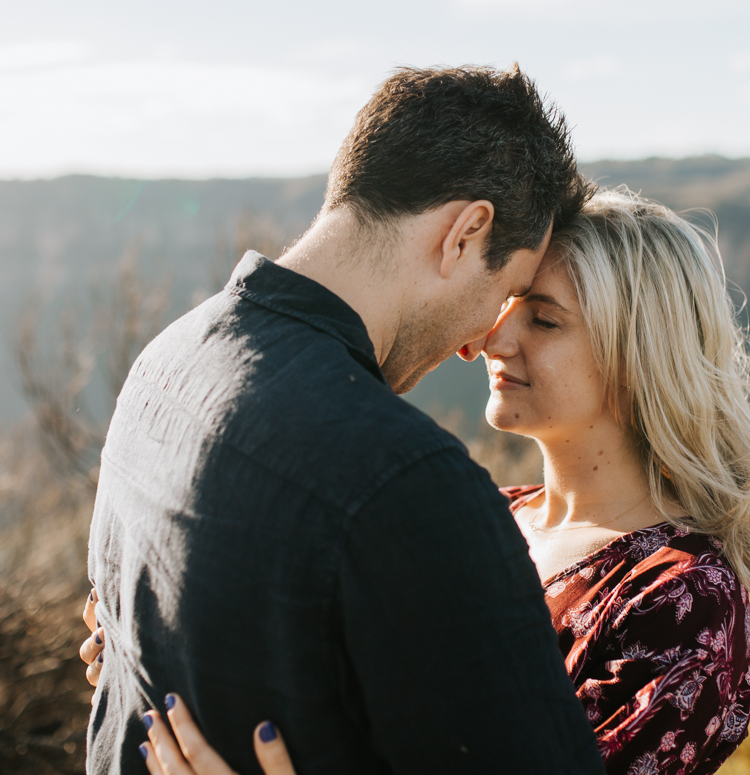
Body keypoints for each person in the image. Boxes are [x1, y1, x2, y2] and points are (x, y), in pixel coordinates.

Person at [85, 189, 750, 775]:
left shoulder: (679, 598)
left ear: (639, 356)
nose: (493, 339)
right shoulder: (482, 516)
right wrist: (157, 644)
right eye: (506, 307)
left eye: (546, 320)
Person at [84, 65, 605, 774]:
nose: (476, 342)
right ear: (464, 233)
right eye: (506, 289)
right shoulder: (407, 485)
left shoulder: (162, 365)